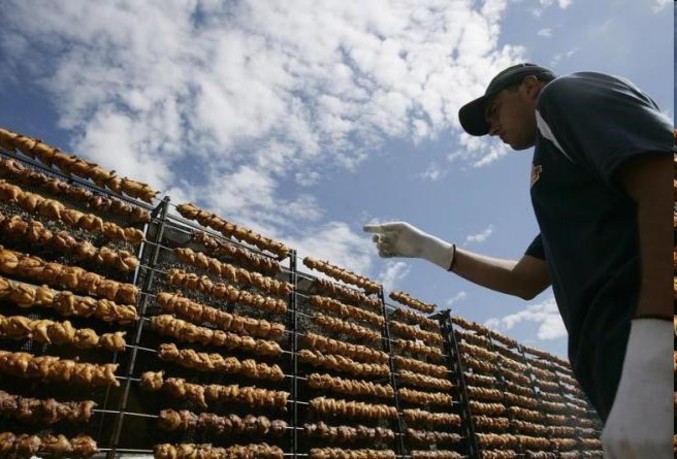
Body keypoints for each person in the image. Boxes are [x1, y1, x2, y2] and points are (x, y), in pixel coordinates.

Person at [364, 63, 673, 458]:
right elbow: (525, 279)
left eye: (494, 110)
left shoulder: (564, 97)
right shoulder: (568, 175)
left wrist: (653, 349)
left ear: (530, 88)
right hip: (622, 365)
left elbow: (664, 174)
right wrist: (433, 250)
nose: (491, 127)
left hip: (648, 346)